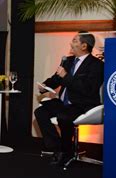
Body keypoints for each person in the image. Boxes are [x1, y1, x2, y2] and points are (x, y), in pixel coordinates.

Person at [35, 31, 104, 167]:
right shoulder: (68, 60)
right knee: (40, 112)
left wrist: (66, 76)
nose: (70, 44)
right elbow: (56, 79)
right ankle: (58, 148)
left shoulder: (97, 65)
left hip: (82, 104)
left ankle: (64, 151)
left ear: (84, 46)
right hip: (64, 102)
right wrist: (45, 86)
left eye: (74, 41)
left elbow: (87, 89)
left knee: (63, 116)